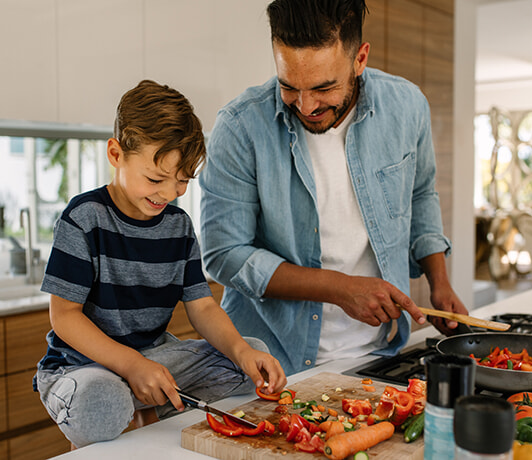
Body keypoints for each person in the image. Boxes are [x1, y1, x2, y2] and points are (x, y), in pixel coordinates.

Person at [199, 0, 468, 375]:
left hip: (380, 354)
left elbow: (420, 192)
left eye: (324, 87)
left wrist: (439, 281)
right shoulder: (240, 126)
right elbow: (223, 254)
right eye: (288, 86)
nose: (306, 106)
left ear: (360, 58)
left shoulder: (407, 107)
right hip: (267, 362)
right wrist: (339, 288)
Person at [34, 80, 286, 448]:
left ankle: (141, 406)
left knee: (248, 358)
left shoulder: (178, 225)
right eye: (155, 179)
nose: (168, 194)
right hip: (82, 366)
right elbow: (65, 317)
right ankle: (133, 406)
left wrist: (242, 351)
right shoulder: (84, 218)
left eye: (182, 181)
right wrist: (131, 366)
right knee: (101, 401)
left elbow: (201, 306)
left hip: (153, 357)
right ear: (116, 154)